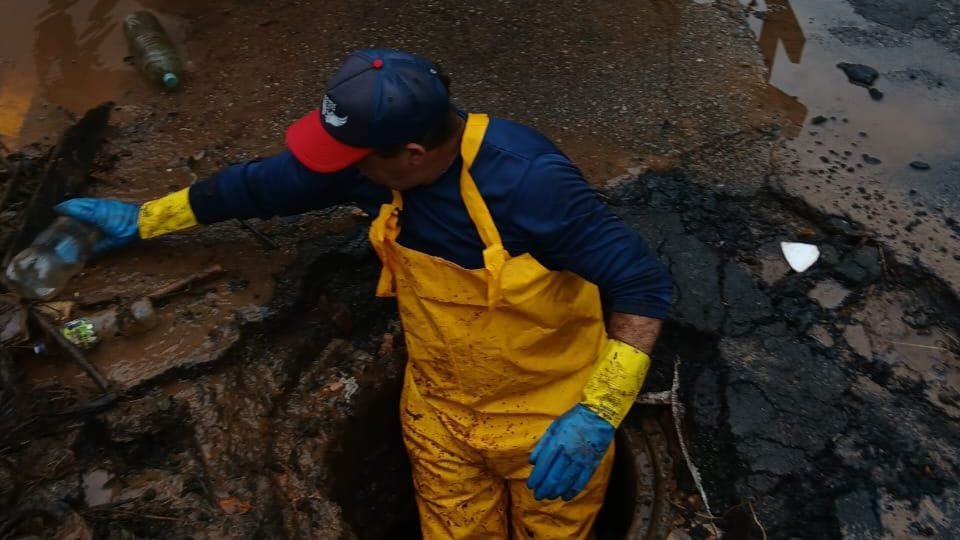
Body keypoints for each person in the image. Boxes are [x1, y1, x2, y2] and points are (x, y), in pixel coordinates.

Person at [57, 48, 672, 539]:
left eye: (352, 159)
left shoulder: (532, 183)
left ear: (412, 154)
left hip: (548, 417)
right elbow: (258, 188)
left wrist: (597, 413)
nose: (338, 171)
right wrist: (145, 219)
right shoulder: (375, 170)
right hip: (437, 410)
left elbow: (641, 284)